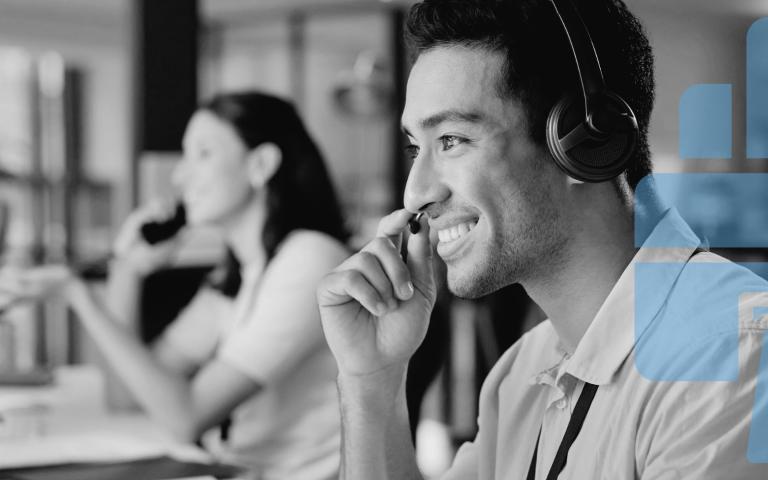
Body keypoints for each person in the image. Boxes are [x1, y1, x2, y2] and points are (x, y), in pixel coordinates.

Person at [316, 1, 768, 479]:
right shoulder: (520, 373)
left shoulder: (729, 356)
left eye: (452, 139)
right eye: (415, 148)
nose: (416, 194)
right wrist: (371, 382)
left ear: (587, 143)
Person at [0, 91, 350, 480]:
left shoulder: (310, 260)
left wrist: (78, 295)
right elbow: (127, 396)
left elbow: (186, 417)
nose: (180, 175)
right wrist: (128, 270)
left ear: (261, 164)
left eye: (202, 154)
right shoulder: (239, 274)